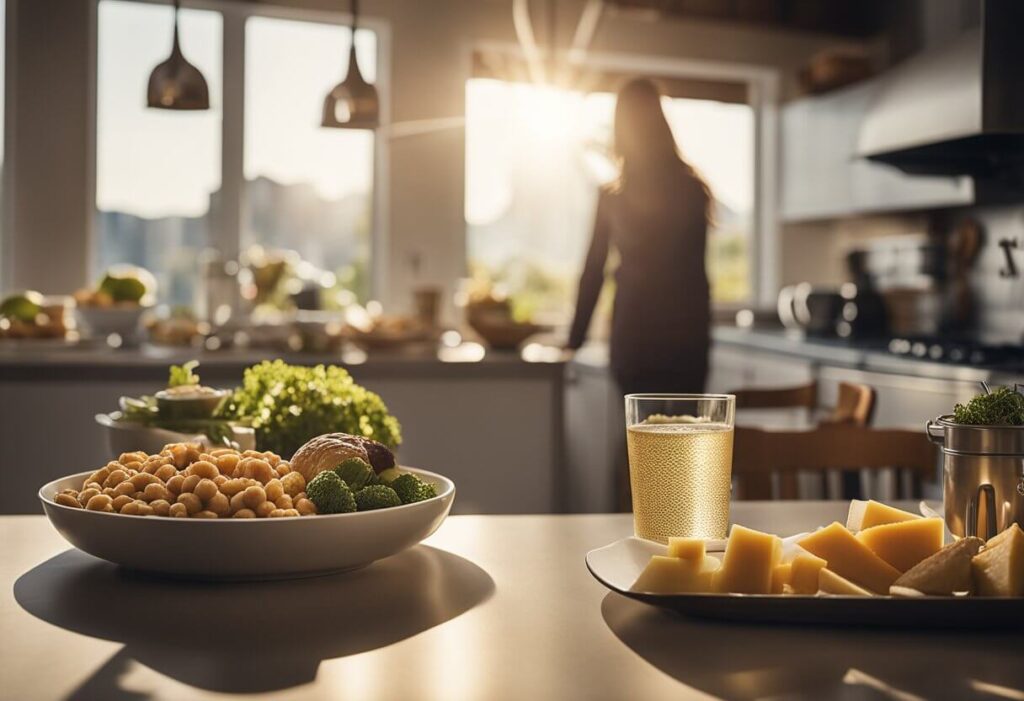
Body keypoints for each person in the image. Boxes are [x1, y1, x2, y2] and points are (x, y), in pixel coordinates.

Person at [567, 78, 713, 396]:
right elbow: (698, 276)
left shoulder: (612, 196)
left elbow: (594, 270)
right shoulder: (692, 191)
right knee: (683, 440)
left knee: (640, 440)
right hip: (685, 341)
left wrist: (573, 340)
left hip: (635, 337)